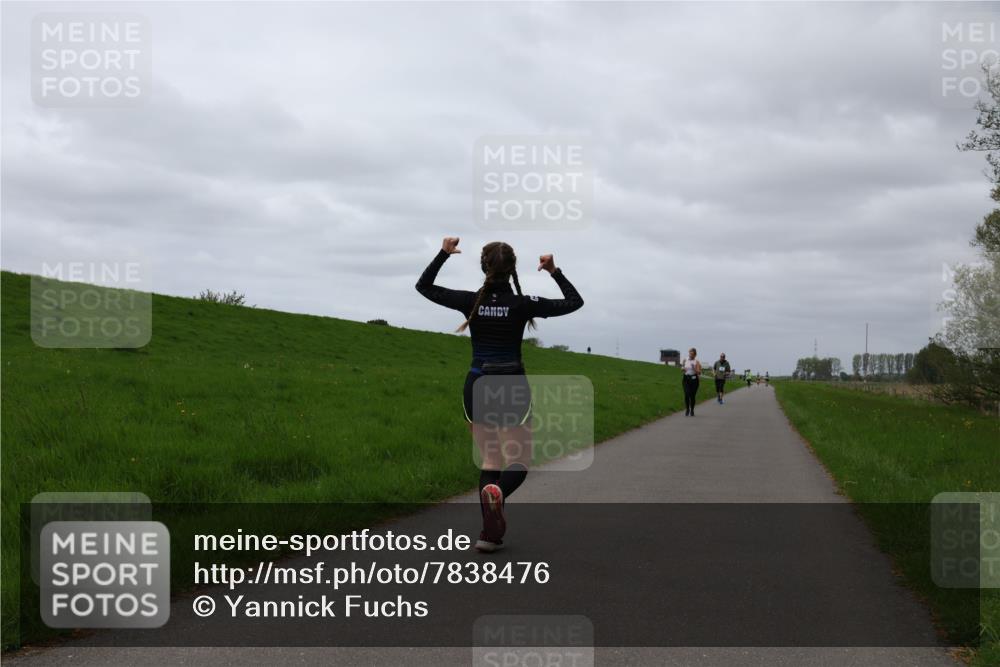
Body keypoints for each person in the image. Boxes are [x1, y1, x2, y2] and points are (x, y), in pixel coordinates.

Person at [416, 237, 583, 552]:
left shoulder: (470, 300)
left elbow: (424, 286)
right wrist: (554, 271)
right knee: (518, 461)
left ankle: (489, 534)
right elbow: (574, 302)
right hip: (511, 385)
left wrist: (443, 254)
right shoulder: (523, 304)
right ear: (513, 270)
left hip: (476, 383)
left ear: (484, 267)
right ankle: (496, 501)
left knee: (490, 459)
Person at [681, 347, 702, 416]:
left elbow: (699, 372)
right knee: (687, 394)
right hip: (686, 379)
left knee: (692, 396)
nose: (691, 355)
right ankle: (687, 409)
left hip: (694, 380)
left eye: (692, 354)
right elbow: (682, 368)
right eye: (690, 353)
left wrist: (694, 368)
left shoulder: (697, 362)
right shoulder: (685, 359)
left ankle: (692, 410)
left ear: (695, 355)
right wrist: (683, 369)